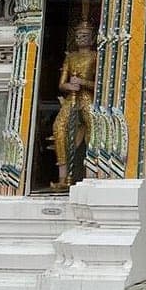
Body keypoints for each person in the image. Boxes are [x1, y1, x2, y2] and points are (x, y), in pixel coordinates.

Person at [50, 16, 97, 190]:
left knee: (94, 126)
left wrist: (83, 83)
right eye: (78, 35)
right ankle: (63, 176)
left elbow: (102, 84)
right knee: (58, 126)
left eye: (85, 35)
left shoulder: (95, 56)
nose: (81, 38)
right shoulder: (70, 57)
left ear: (92, 38)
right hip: (72, 97)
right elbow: (61, 84)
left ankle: (92, 172)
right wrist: (69, 85)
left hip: (86, 97)